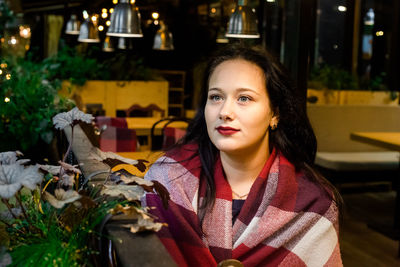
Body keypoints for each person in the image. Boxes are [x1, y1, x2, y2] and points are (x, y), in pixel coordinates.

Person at [143, 44, 342, 267]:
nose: (225, 112)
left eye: (244, 98)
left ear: (274, 113)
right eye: (216, 97)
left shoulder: (311, 202)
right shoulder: (167, 180)